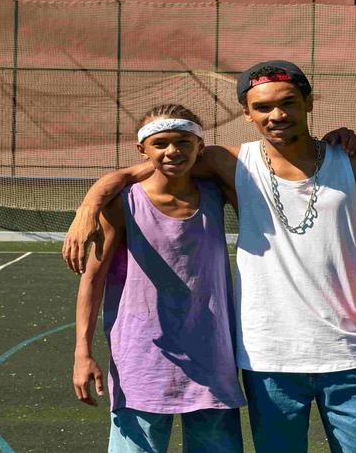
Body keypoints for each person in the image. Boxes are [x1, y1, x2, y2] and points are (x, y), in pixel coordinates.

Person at [66, 61, 356, 452]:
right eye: (263, 107)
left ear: (308, 103)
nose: (277, 115)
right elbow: (152, 164)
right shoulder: (230, 163)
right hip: (269, 358)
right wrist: (89, 205)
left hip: (352, 353)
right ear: (247, 113)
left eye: (288, 103)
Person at [72, 104, 246, 452]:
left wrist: (333, 144)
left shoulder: (218, 193)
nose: (172, 151)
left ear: (200, 146)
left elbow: (275, 159)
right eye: (160, 143)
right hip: (142, 357)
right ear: (142, 148)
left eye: (183, 141)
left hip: (211, 354)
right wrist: (82, 352)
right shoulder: (124, 203)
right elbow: (92, 280)